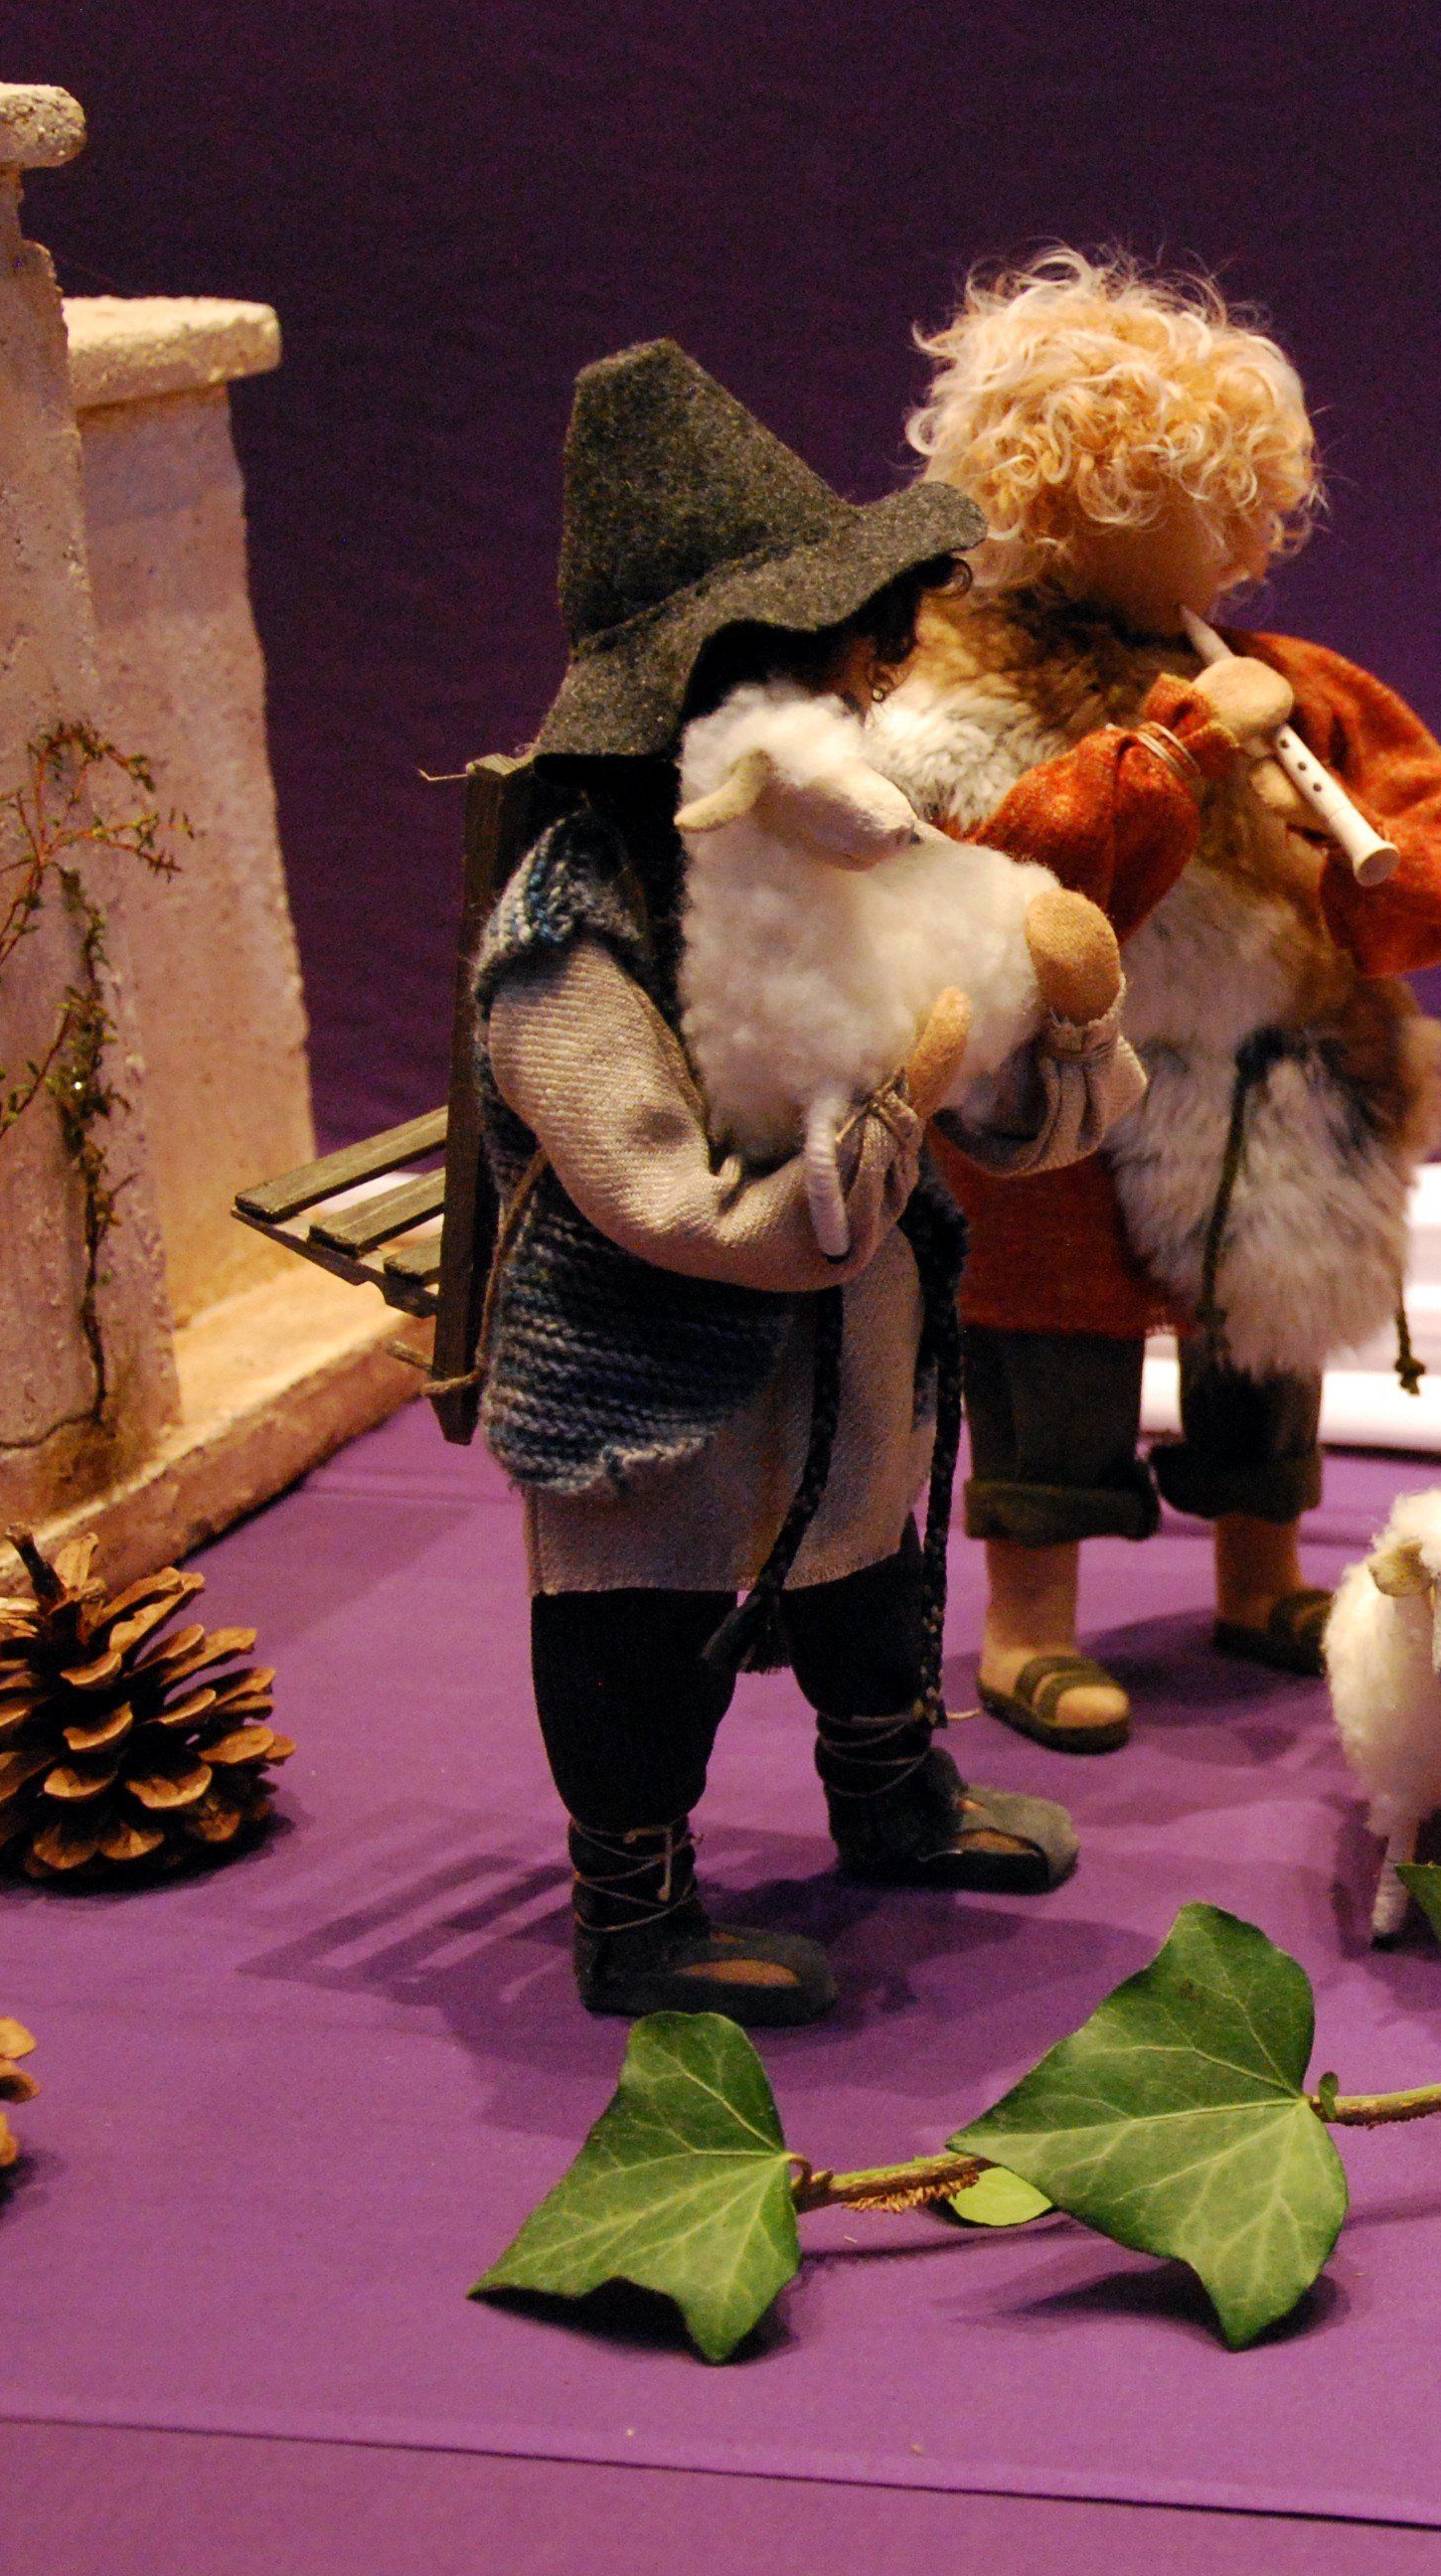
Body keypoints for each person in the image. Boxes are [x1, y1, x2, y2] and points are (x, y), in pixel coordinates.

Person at [472, 342, 1147, 2022]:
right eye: (851, 645)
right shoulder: (573, 924)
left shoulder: (843, 848)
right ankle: (634, 1904)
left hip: (853, 1343)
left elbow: (1002, 1099)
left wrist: (1060, 1020)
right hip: (658, 1382)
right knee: (639, 1638)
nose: (881, 672)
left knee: (870, 1573)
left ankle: (893, 1787)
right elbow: (660, 1194)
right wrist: (883, 1125)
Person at [871, 253, 1441, 1753]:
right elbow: (1003, 878)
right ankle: (1031, 1624)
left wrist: (1355, 865)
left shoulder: (1301, 687)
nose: (1232, 540)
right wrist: (1175, 750)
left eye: (1242, 504)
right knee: (1048, 1358)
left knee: (1263, 1346)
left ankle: (1261, 1572)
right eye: (1188, 504)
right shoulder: (948, 698)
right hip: (1057, 1095)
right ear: (1061, 501)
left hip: (1272, 1082)